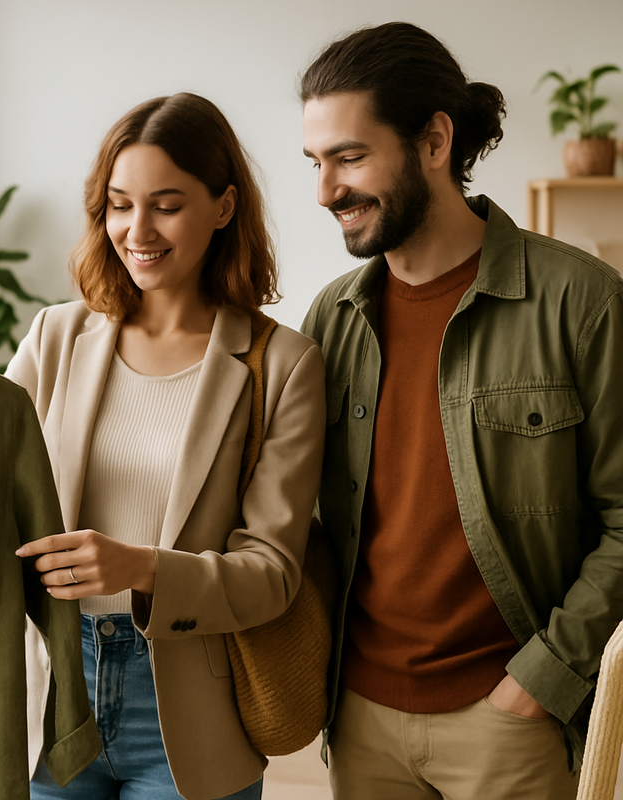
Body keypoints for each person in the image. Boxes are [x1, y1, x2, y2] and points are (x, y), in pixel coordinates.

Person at [299, 21, 623, 800]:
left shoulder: (581, 301)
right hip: (361, 720)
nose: (325, 189)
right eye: (314, 161)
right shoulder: (329, 320)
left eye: (349, 156)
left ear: (435, 141)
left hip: (510, 718)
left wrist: (542, 680)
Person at [8, 92, 326, 800]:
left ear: (224, 206)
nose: (137, 229)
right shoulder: (55, 339)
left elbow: (273, 573)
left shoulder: (283, 366)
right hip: (54, 695)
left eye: (166, 204)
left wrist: (141, 566)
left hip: (189, 708)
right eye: (119, 204)